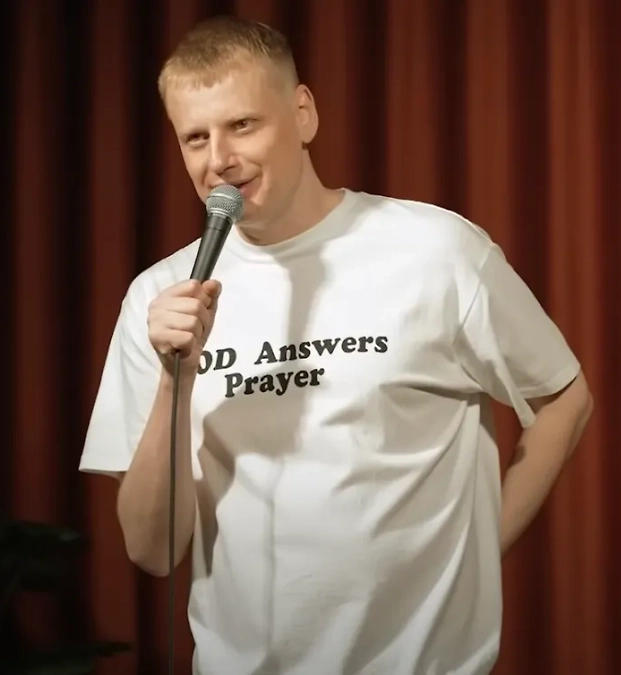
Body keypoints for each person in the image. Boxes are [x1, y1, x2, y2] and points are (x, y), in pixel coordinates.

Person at [78, 15, 594, 675]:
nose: (218, 160)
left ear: (303, 114)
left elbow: (564, 399)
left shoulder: (435, 250)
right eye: (195, 138)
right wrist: (173, 383)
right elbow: (152, 549)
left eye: (243, 125)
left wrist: (479, 550)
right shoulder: (161, 296)